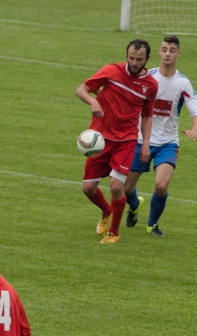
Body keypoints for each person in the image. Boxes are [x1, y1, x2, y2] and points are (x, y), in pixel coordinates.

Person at [76, 39, 158, 244]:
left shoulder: (150, 85)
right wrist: (94, 101)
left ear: (147, 59)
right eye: (131, 58)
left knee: (115, 187)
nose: (134, 62)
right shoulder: (111, 71)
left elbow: (147, 116)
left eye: (139, 59)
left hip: (126, 140)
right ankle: (107, 211)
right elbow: (81, 90)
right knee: (88, 188)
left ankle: (114, 232)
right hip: (101, 138)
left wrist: (146, 143)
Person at [124, 36, 197, 238]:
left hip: (168, 143)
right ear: (159, 53)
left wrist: (194, 129)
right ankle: (135, 205)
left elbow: (196, 111)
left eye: (172, 50)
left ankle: (152, 224)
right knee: (125, 188)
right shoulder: (148, 77)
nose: (168, 53)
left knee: (161, 186)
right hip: (142, 140)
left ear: (178, 53)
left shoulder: (183, 82)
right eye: (165, 49)